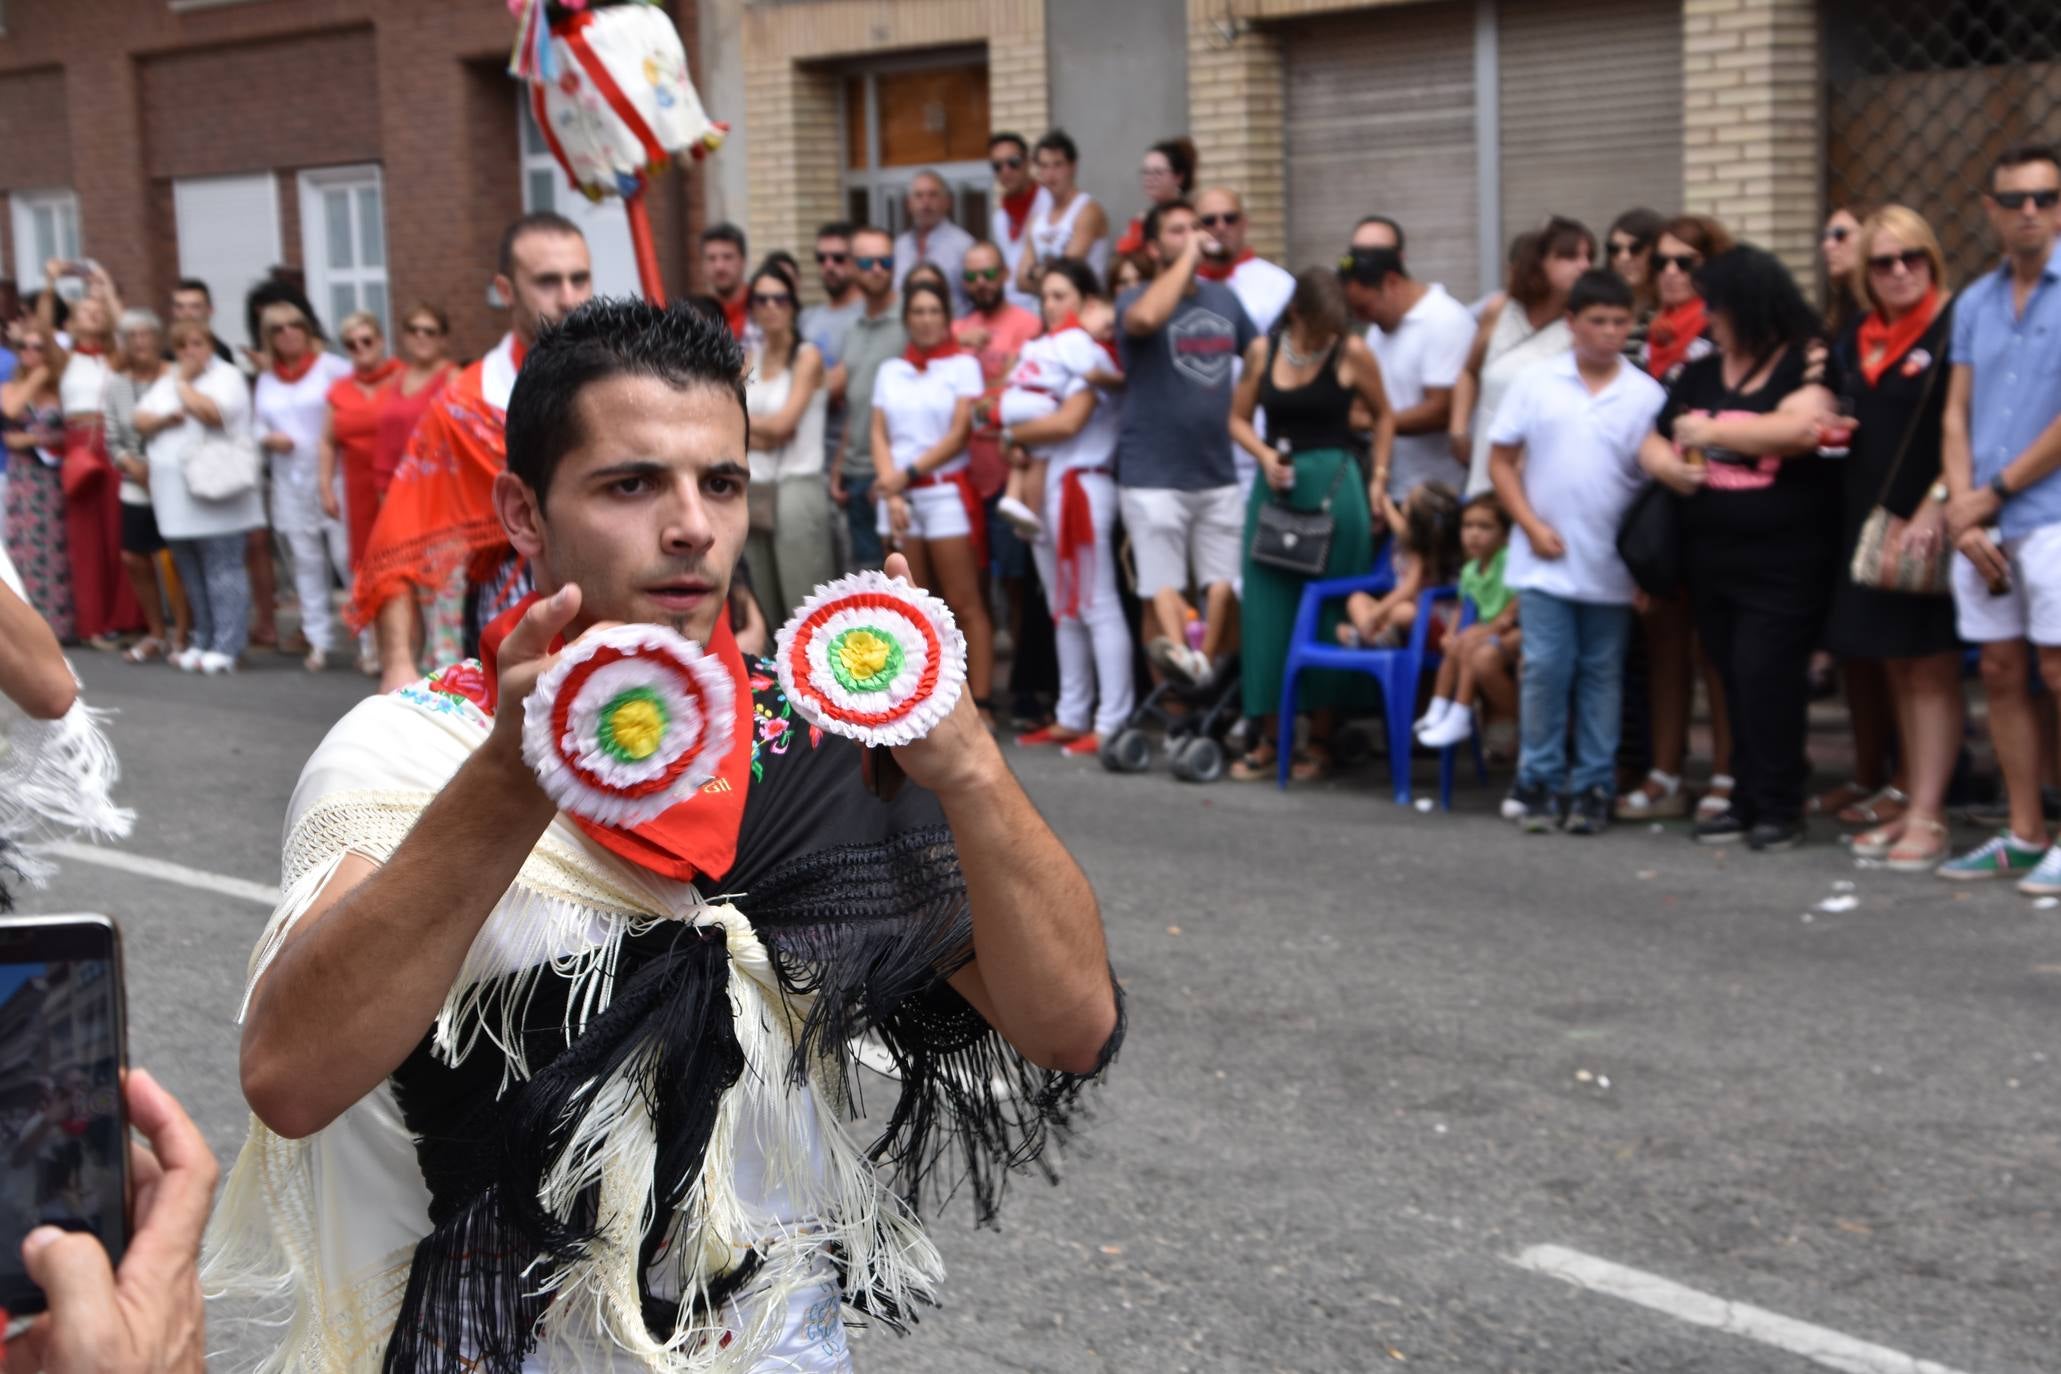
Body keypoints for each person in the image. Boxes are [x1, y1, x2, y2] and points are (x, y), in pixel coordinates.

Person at [212, 296, 1121, 1368]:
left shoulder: (821, 740)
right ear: (523, 510)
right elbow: (291, 1075)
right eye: (631, 483)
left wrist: (970, 769)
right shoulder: (416, 750)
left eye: (721, 483)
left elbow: (1069, 1027)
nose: (691, 525)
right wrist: (513, 783)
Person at [1641, 246, 1839, 853]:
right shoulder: (1700, 372)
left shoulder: (1804, 361)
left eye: (1719, 307)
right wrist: (1667, 469)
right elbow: (1651, 436)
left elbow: (1802, 428)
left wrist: (1712, 432)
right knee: (1729, 676)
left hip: (1783, 559)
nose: (1709, 319)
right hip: (1711, 556)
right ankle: (1747, 798)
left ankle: (1782, 803)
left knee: (1766, 674)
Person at [351, 213, 593, 691]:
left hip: (617, 612)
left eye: (579, 278)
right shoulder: (465, 405)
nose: (568, 297)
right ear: (505, 290)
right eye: (547, 281)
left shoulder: (629, 383)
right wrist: (398, 661)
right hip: (506, 623)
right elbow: (400, 538)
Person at [1478, 271, 1666, 834]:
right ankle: (1537, 778)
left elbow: (1650, 488)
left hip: (1609, 564)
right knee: (1545, 668)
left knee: (1601, 673)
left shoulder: (1645, 394)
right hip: (1545, 560)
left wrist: (1645, 567)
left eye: (1619, 322)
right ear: (1572, 324)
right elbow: (1500, 461)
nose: (1610, 333)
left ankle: (1592, 785)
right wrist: (1530, 524)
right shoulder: (1538, 383)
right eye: (1598, 322)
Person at [1818, 205, 1962, 874]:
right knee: (1897, 667)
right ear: (1865, 274)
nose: (1899, 271)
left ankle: (1929, 816)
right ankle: (1908, 798)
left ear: (1931, 261)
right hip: (1869, 520)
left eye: (1912, 258)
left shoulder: (1955, 327)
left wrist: (1936, 502)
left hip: (1926, 518)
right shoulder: (1857, 336)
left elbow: (1971, 425)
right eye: (1883, 261)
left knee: (1928, 666)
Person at [1937, 144, 2061, 892]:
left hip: (2049, 514)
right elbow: (1953, 413)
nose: (2028, 212)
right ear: (1989, 210)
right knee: (2001, 669)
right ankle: (2021, 831)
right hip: (1980, 521)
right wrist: (1961, 509)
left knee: (2056, 668)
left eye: (2043, 198)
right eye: (2014, 199)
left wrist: (1997, 490)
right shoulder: (1975, 301)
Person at [1228, 267, 1394, 783]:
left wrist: (1378, 479)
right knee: (1268, 610)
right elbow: (1237, 418)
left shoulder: (1352, 352)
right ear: (1297, 312)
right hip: (1277, 486)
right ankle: (1273, 737)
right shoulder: (1263, 351)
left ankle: (1321, 738)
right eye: (1321, 324)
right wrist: (1261, 454)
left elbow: (1385, 415)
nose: (1329, 335)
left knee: (1328, 608)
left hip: (1334, 488)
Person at [1618, 212, 1739, 825]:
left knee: (1715, 649)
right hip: (1654, 508)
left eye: (1684, 263)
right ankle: (1665, 773)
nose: (1668, 273)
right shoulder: (1639, 333)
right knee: (1663, 643)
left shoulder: (1724, 335)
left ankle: (1725, 772)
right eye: (1660, 261)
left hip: (1714, 503)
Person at [1116, 200, 1258, 690]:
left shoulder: (1225, 298)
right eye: (1179, 230)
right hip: (1152, 475)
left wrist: (1244, 414)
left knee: (1225, 589)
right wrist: (1187, 259)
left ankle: (1206, 682)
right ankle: (1174, 710)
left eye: (1196, 227)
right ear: (1155, 247)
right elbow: (1145, 320)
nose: (1195, 235)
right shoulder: (1134, 297)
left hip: (1217, 472)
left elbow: (1258, 356)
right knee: (1160, 591)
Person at [997, 260, 1132, 754]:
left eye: (1062, 295)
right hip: (1045, 484)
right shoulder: (1048, 351)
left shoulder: (1085, 352)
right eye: (1046, 296)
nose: (1051, 305)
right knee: (1063, 607)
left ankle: (1113, 719)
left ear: (1085, 299)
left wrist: (1013, 433)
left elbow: (1069, 422)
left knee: (1096, 602)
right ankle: (1074, 713)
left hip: (1083, 482)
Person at [3, 1070, 216, 1374]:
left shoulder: (92, 1115)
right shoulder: (47, 1118)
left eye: (80, 1088)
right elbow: (22, 1155)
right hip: (48, 1218)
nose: (75, 1096)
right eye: (69, 1090)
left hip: (90, 1215)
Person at [872, 280, 996, 715]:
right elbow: (878, 432)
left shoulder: (963, 366)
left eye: (933, 311)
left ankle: (981, 702)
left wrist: (904, 476)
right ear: (907, 319)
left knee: (963, 601)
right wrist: (891, 490)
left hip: (943, 490)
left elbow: (961, 430)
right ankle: (921, 702)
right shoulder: (891, 370)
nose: (925, 319)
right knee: (910, 605)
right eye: (918, 311)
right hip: (899, 499)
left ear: (947, 318)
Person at [131, 322, 263, 676]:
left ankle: (228, 644)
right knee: (190, 570)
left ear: (210, 345)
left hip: (218, 492)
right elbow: (140, 419)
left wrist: (184, 386)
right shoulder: (167, 379)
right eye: (182, 345)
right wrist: (167, 411)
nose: (190, 352)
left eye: (197, 343)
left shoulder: (227, 376)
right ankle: (203, 638)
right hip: (176, 498)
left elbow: (213, 414)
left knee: (223, 567)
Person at [1452, 217, 1596, 495]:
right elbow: (1468, 373)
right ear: (1539, 262)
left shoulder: (1582, 326)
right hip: (1487, 454)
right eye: (1570, 256)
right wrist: (1458, 428)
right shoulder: (1499, 310)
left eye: (1589, 257)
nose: (1584, 266)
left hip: (1544, 470)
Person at [40, 263, 141, 650]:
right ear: (74, 322)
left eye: (98, 310)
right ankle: (94, 623)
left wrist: (105, 286)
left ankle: (128, 619)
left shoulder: (115, 357)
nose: (94, 313)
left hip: (112, 438)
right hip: (79, 442)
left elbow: (127, 329)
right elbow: (45, 328)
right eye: (86, 310)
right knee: (86, 537)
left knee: (120, 531)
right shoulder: (63, 358)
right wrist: (51, 285)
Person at [252, 295, 353, 673]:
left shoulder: (331, 368)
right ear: (269, 337)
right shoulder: (267, 378)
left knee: (346, 558)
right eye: (278, 328)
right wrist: (267, 437)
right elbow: (255, 422)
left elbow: (357, 404)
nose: (288, 333)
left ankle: (369, 639)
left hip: (333, 476)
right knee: (306, 561)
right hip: (288, 480)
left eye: (295, 325)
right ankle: (318, 638)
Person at [1339, 243, 1475, 502]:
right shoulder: (1379, 329)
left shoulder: (1445, 320)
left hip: (1438, 495)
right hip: (1392, 488)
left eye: (1364, 308)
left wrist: (1375, 421)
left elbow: (1442, 410)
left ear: (1391, 282)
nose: (1362, 318)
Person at [741, 261, 834, 624]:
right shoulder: (750, 356)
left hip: (797, 484)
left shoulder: (806, 355)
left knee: (804, 605)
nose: (771, 307)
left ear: (793, 305)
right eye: (761, 300)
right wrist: (760, 432)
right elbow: (728, 420)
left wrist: (753, 430)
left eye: (779, 299)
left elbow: (783, 425)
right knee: (763, 605)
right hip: (756, 483)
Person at [319, 311, 402, 675]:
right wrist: (325, 484)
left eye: (367, 340)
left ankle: (405, 649)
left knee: (400, 565)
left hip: (397, 484)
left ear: (381, 341)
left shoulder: (403, 378)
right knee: (362, 567)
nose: (360, 349)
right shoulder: (338, 390)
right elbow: (326, 441)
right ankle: (371, 646)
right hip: (355, 487)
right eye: (351, 344)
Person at [103, 309, 187, 664]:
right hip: (135, 479)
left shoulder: (176, 377)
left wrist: (160, 467)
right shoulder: (116, 385)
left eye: (146, 335)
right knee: (133, 557)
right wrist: (131, 465)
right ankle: (155, 631)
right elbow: (112, 438)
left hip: (173, 477)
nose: (140, 342)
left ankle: (181, 632)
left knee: (175, 558)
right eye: (132, 336)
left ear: (158, 339)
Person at [1414, 493, 1519, 752]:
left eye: (1485, 527)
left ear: (1505, 535)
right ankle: (1438, 709)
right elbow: (1463, 606)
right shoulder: (1470, 569)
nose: (1473, 534)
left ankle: (1460, 713)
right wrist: (1449, 633)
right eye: (1468, 526)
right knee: (1457, 644)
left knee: (1469, 642)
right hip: (1486, 632)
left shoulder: (1507, 559)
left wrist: (1499, 624)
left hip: (1511, 630)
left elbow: (1520, 597)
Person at [827, 225, 906, 572]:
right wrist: (839, 466)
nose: (877, 269)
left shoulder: (912, 319)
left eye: (885, 261)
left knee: (903, 585)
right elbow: (856, 400)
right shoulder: (854, 327)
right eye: (868, 262)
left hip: (894, 476)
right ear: (854, 268)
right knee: (866, 582)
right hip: (855, 474)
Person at [956, 241, 1048, 531]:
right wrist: (957, 343)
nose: (981, 283)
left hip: (1012, 469)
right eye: (971, 277)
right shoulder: (957, 329)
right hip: (966, 469)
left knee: (1013, 573)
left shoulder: (1030, 325)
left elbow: (1024, 390)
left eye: (988, 274)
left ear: (1005, 274)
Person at [3, 326, 73, 643]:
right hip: (24, 477)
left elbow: (72, 429)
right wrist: (36, 375)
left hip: (54, 476)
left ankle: (59, 624)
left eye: (38, 348)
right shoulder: (11, 385)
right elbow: (12, 410)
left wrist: (31, 437)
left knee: (56, 548)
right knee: (25, 548)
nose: (30, 353)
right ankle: (30, 628)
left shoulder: (62, 389)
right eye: (24, 347)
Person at [1337, 481, 1463, 648]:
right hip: (1403, 620)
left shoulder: (1422, 551)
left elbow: (1409, 588)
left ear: (1415, 522)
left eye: (1408, 500)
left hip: (1430, 620)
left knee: (1403, 612)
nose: (1404, 500)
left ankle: (1369, 639)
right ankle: (1375, 639)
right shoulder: (1414, 539)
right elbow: (1400, 528)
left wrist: (1375, 614)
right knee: (1357, 599)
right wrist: (1385, 503)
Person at [801, 222, 866, 476]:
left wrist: (795, 391)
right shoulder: (808, 318)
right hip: (809, 453)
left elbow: (842, 381)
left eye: (838, 258)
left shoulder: (865, 316)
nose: (829, 266)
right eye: (822, 258)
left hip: (849, 457)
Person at [1015, 130, 1110, 299]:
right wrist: (1043, 275)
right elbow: (1020, 281)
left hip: (1086, 312)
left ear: (1073, 167)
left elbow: (1066, 273)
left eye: (1058, 165)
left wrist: (1035, 272)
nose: (1051, 174)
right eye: (1044, 166)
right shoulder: (1037, 219)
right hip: (1050, 314)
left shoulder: (1087, 210)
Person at [1192, 187, 1295, 336]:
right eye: (1209, 221)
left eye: (1230, 219)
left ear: (1244, 224)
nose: (1220, 227)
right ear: (1195, 228)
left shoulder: (1280, 283)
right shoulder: (1179, 283)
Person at [894, 171, 978, 316]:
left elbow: (978, 299)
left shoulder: (965, 246)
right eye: (919, 195)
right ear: (909, 204)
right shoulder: (899, 246)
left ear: (947, 202)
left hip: (954, 333)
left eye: (933, 195)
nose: (925, 202)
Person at [989, 132, 1051, 314]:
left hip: (1046, 308)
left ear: (1028, 162)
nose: (1006, 171)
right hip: (1012, 313)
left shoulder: (1049, 203)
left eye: (1013, 162)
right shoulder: (999, 217)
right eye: (997, 166)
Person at [1113, 136, 1196, 258]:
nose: (1149, 178)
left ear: (1178, 177)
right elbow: (1124, 254)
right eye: (1145, 172)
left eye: (1158, 172)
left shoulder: (1193, 215)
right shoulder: (1142, 219)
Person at [1605, 207, 1667, 360]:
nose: (1624, 257)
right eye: (1615, 249)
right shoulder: (1599, 308)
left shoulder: (1672, 311)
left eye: (1635, 248)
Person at [168, 277, 237, 367]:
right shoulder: (164, 355)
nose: (187, 313)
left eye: (195, 307)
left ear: (210, 310)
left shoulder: (221, 353)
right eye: (180, 307)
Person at [1822, 205, 1868, 334]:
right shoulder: (1841, 309)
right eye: (1825, 236)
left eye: (1840, 235)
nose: (1827, 245)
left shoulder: (1886, 307)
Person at [701, 221, 751, 340]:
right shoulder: (698, 314)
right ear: (703, 264)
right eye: (711, 258)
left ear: (743, 261)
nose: (719, 266)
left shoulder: (763, 305)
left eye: (727, 257)